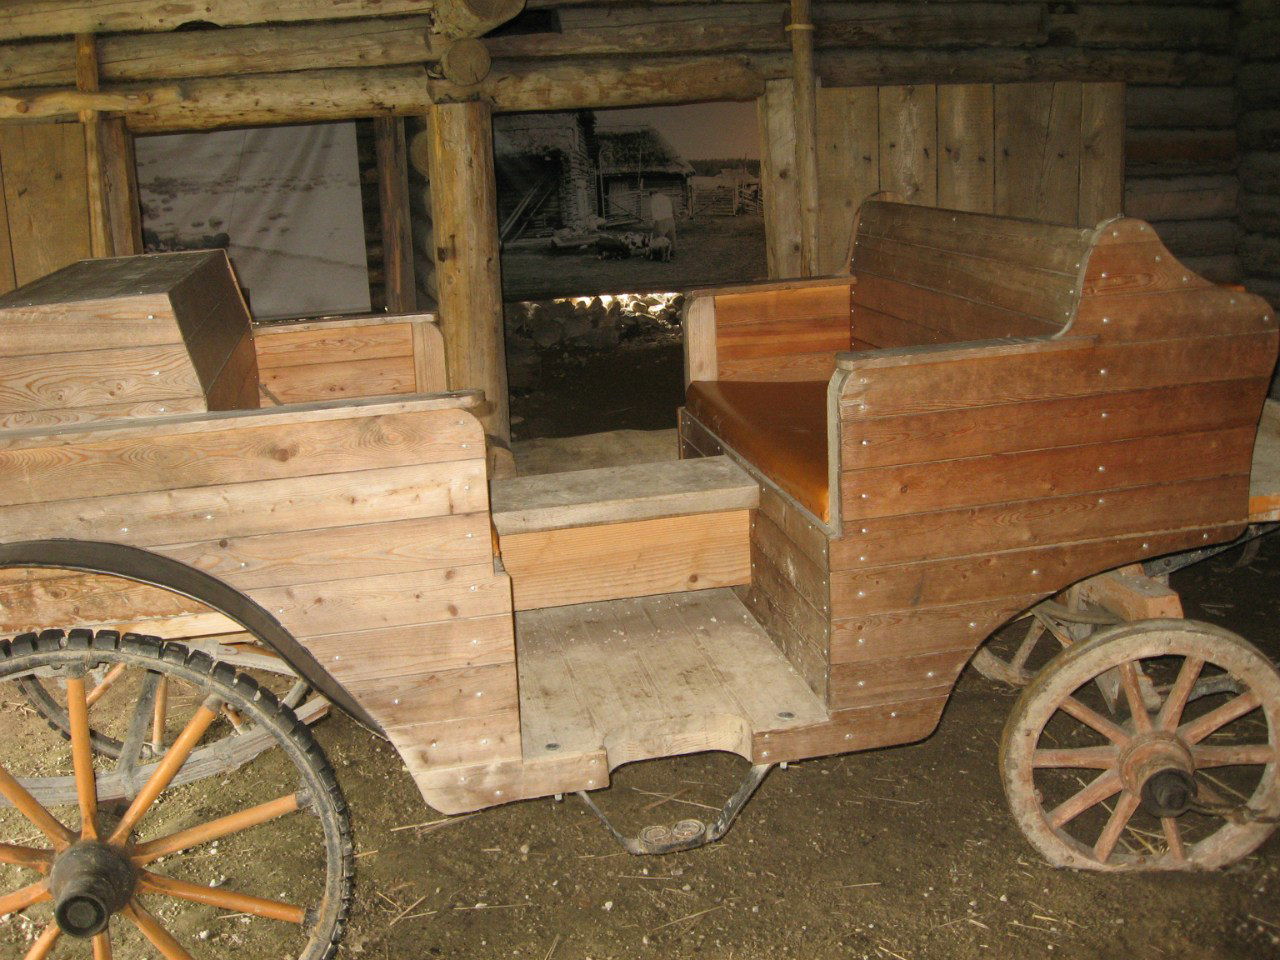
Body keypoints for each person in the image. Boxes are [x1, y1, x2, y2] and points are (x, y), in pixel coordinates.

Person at [649, 190, 676, 256]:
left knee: (659, 238)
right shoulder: (666, 198)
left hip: (660, 220)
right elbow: (671, 208)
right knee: (671, 237)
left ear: (652, 195)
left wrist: (653, 222)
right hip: (670, 219)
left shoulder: (654, 200)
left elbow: (654, 212)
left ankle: (659, 253)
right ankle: (672, 251)